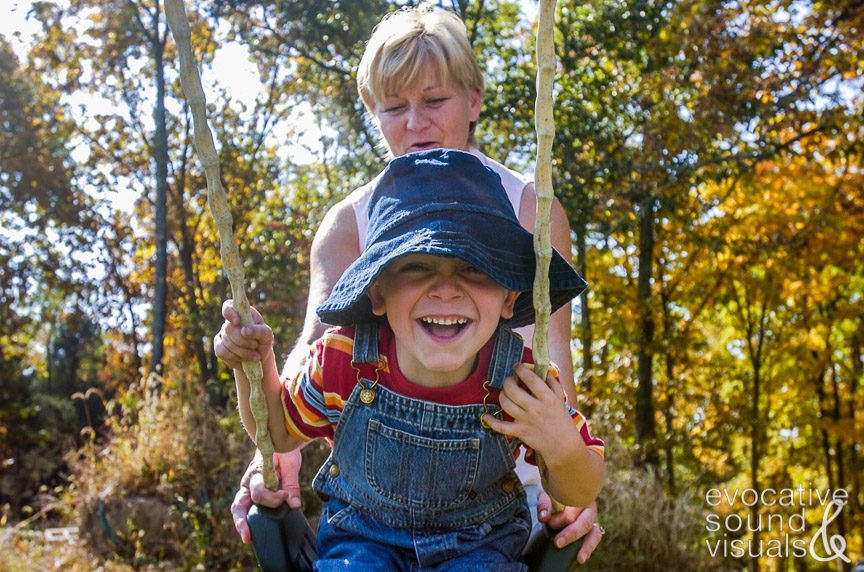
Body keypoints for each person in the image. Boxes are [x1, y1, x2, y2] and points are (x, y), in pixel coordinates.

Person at [220, 2, 606, 562]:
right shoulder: (352, 225)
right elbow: (314, 354)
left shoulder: (528, 211)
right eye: (394, 107)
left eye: (434, 101)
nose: (414, 123)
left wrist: (567, 477)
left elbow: (553, 358)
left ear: (474, 100)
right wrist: (271, 451)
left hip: (501, 492)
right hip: (373, 514)